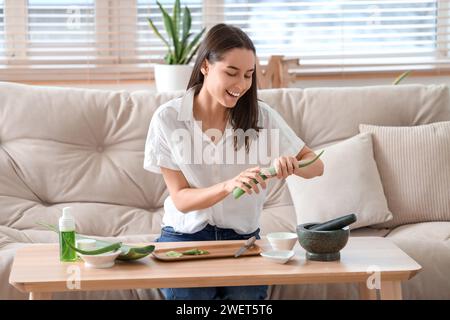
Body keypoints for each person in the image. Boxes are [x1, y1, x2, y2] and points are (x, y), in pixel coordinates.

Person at [143, 23, 324, 300]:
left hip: (243, 239)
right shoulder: (167, 119)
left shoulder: (261, 117)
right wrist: (228, 186)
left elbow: (316, 165)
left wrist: (294, 166)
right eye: (231, 73)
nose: (241, 85)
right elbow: (180, 198)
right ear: (205, 66)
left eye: (249, 75)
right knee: (190, 302)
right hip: (184, 236)